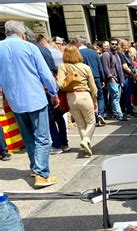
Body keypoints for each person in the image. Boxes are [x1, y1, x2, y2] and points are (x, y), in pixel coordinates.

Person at [0, 20, 59, 188]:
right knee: (42, 137)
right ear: (23, 34)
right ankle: (41, 174)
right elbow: (45, 74)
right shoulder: (29, 47)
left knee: (28, 137)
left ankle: (35, 167)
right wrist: (53, 92)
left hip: (14, 100)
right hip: (34, 97)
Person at [57, 45, 98, 157]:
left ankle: (87, 149)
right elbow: (93, 88)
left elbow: (60, 85)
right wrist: (95, 100)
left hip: (70, 96)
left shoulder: (62, 67)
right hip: (84, 95)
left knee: (80, 124)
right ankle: (86, 140)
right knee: (91, 122)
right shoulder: (85, 67)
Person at [73, 35, 107, 126]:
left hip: (83, 78)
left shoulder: (77, 53)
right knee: (99, 96)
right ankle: (100, 113)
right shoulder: (93, 52)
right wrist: (103, 79)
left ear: (78, 42)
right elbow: (100, 66)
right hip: (96, 77)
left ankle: (93, 116)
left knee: (88, 97)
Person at [101, 37, 125, 121]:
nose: (114, 46)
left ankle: (116, 113)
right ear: (109, 45)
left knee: (116, 97)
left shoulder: (117, 54)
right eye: (112, 44)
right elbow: (105, 67)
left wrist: (121, 80)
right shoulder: (106, 54)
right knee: (115, 97)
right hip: (112, 79)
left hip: (119, 79)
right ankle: (119, 114)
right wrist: (110, 77)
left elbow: (120, 68)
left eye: (116, 44)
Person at [118, 39, 137, 119]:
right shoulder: (122, 55)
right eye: (125, 45)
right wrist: (133, 75)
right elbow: (125, 67)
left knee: (129, 94)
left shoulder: (127, 54)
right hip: (127, 77)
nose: (127, 47)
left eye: (127, 45)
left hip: (129, 76)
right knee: (127, 94)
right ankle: (128, 110)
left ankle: (129, 109)